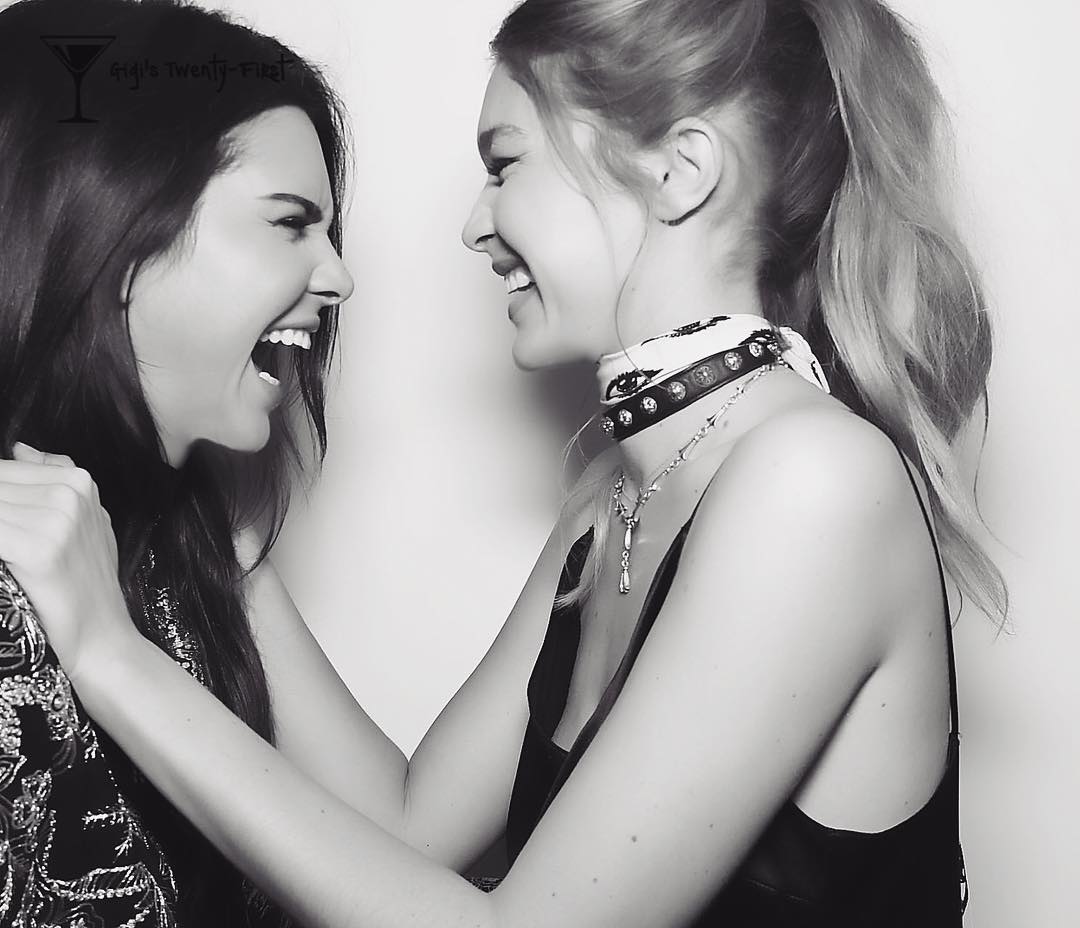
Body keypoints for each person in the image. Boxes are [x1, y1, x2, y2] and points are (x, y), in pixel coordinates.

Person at [5, 0, 1009, 926]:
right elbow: (408, 833)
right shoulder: (611, 494)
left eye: (506, 163)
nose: (474, 223)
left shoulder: (814, 484)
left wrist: (110, 656)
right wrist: (227, 541)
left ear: (680, 171)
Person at [0, 0, 355, 924]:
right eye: (290, 223)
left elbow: (392, 842)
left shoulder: (175, 534)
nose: (339, 277)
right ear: (119, 235)